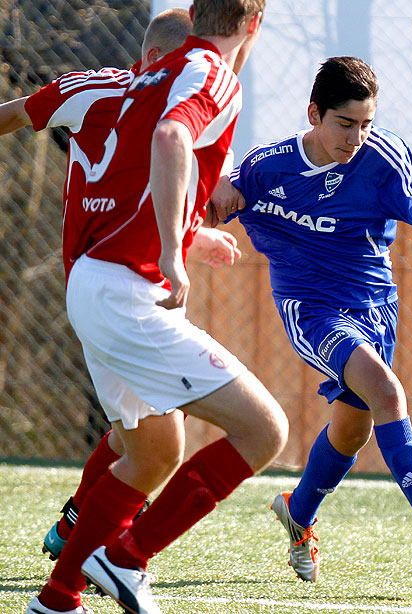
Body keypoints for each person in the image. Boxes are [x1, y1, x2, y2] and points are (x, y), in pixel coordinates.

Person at [25, 2, 288, 614]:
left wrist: (186, 233)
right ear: (254, 25)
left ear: (197, 12)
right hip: (124, 292)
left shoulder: (146, 79)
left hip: (96, 284)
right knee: (263, 430)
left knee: (154, 451)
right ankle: (123, 558)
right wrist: (175, 249)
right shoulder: (211, 71)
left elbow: (131, 181)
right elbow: (172, 138)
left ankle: (58, 596)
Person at [211, 56, 412, 583]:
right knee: (388, 393)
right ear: (314, 114)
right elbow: (212, 187)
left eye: (366, 123)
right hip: (310, 307)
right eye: (345, 124)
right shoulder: (270, 168)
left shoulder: (383, 158)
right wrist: (218, 187)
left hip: (376, 307)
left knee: (354, 430)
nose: (357, 137)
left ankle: (298, 513)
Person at [0, 8, 240, 566]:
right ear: (157, 60)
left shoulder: (168, 107)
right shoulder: (113, 89)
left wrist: (191, 236)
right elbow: (14, 115)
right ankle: (102, 554)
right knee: (161, 437)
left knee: (141, 428)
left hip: (129, 279)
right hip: (111, 283)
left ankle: (81, 533)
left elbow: (138, 189)